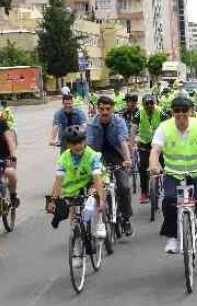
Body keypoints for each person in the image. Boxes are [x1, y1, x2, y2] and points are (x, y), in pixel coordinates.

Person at [149, 96, 197, 253]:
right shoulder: (164, 127)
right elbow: (155, 150)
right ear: (172, 112)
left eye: (184, 110)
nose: (180, 114)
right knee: (169, 202)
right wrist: (153, 166)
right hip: (173, 173)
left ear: (191, 111)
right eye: (176, 111)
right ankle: (172, 237)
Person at [46, 126, 107, 259]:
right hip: (74, 186)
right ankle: (78, 247)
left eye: (80, 142)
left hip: (92, 181)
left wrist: (101, 199)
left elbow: (97, 179)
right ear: (68, 144)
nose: (78, 145)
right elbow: (58, 181)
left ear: (84, 141)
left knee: (95, 195)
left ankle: (99, 223)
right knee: (74, 216)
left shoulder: (92, 155)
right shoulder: (63, 158)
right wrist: (52, 201)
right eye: (74, 143)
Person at [86, 95, 135, 236]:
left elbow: (123, 142)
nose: (105, 112)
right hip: (99, 157)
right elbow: (89, 147)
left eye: (108, 109)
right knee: (95, 187)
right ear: (97, 109)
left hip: (118, 156)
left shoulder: (119, 122)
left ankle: (125, 218)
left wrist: (127, 159)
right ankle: (97, 218)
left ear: (112, 109)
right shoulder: (91, 124)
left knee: (124, 187)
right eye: (101, 109)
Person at [130, 94, 169, 204]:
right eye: (147, 103)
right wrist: (132, 143)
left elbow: (168, 124)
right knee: (142, 167)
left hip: (159, 144)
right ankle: (144, 192)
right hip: (144, 144)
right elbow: (133, 128)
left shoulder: (160, 111)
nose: (149, 105)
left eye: (152, 103)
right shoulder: (139, 113)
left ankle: (169, 188)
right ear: (143, 104)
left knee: (167, 166)